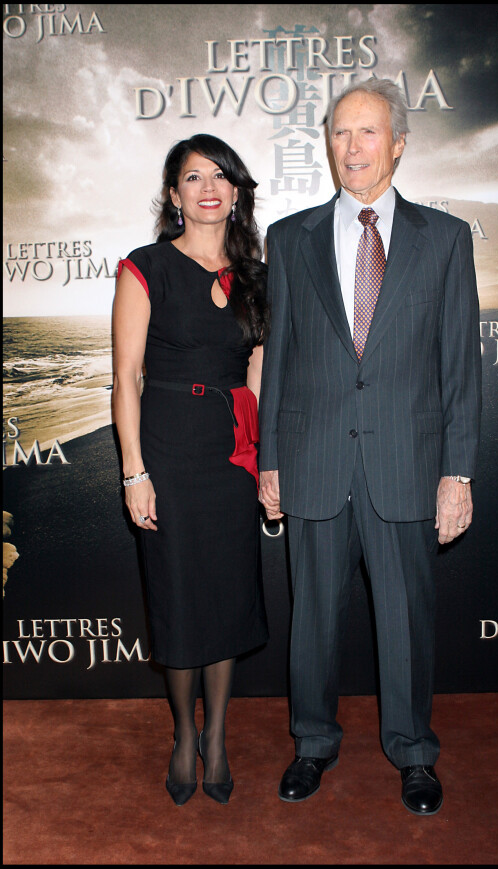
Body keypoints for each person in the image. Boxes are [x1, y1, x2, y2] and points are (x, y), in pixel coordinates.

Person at [259, 79, 481, 815]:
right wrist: (269, 460)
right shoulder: (288, 238)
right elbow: (280, 356)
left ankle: (414, 752)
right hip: (315, 459)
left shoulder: (443, 240)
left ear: (399, 142)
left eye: (366, 132)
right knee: (312, 621)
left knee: (407, 621)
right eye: (338, 132)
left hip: (407, 467)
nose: (350, 147)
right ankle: (312, 743)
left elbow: (459, 364)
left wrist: (458, 471)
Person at [112, 134, 269, 807]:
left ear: (236, 192)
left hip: (230, 454)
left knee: (229, 595)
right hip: (168, 449)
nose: (209, 187)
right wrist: (133, 471)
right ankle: (183, 734)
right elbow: (123, 378)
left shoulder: (258, 275)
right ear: (174, 195)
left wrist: (264, 463)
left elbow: (259, 372)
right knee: (178, 597)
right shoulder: (145, 266)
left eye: (221, 176)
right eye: (193, 176)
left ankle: (220, 735)